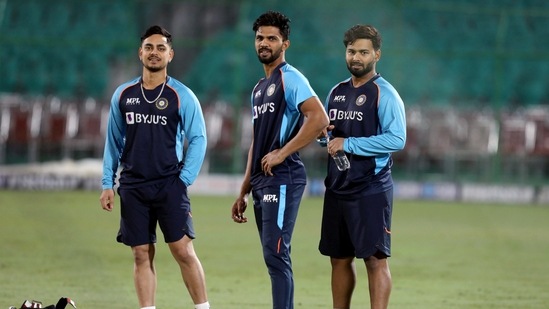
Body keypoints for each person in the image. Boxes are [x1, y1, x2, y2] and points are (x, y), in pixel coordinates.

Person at [99, 25, 210, 309]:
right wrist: (107, 183)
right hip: (133, 186)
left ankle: (203, 307)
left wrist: (183, 179)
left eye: (161, 48)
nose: (154, 53)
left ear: (170, 55)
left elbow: (198, 137)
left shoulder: (181, 95)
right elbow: (113, 141)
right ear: (140, 53)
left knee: (183, 250)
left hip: (169, 184)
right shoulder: (123, 95)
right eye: (149, 47)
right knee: (140, 253)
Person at [231, 10, 329, 309]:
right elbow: (256, 144)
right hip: (262, 180)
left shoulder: (290, 78)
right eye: (260, 38)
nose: (264, 43)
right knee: (271, 257)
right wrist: (244, 188)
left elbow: (319, 118)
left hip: (284, 177)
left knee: (276, 254)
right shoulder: (259, 89)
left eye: (272, 38)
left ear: (285, 44)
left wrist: (282, 153)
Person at [318, 24, 406, 309]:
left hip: (371, 187)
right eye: (351, 51)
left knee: (375, 259)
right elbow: (335, 137)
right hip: (337, 186)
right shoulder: (336, 92)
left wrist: (350, 145)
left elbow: (397, 138)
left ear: (376, 55)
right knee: (339, 258)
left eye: (364, 52)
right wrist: (326, 139)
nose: (356, 57)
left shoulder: (385, 93)